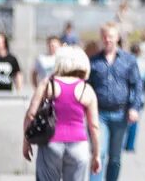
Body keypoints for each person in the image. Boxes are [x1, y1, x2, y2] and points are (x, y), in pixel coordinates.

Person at [22, 45, 103, 180]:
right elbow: (94, 126)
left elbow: (31, 114)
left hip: (50, 143)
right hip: (79, 146)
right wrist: (96, 154)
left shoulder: (47, 84)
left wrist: (26, 142)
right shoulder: (86, 89)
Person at [88, 22, 144, 181]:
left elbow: (137, 85)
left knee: (115, 158)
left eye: (111, 36)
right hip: (99, 115)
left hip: (121, 114)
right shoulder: (94, 61)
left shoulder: (129, 60)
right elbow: (87, 87)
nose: (108, 40)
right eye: (105, 36)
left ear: (117, 37)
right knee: (99, 153)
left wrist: (135, 108)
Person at [124, 42, 145, 153]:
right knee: (135, 120)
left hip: (126, 95)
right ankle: (130, 145)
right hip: (139, 96)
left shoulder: (125, 61)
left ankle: (122, 142)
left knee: (123, 120)